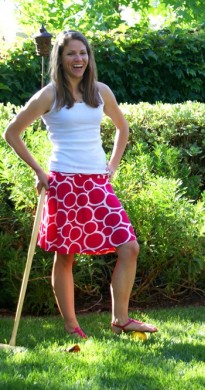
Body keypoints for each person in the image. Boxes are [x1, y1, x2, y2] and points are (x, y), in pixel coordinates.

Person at [3, 30, 158, 339]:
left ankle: (121, 319)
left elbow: (122, 129)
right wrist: (39, 172)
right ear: (60, 58)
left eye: (83, 53)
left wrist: (111, 167)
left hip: (97, 183)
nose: (79, 59)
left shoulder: (101, 92)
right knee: (66, 255)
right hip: (64, 183)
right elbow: (12, 133)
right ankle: (72, 326)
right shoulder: (50, 95)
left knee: (129, 246)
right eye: (71, 53)